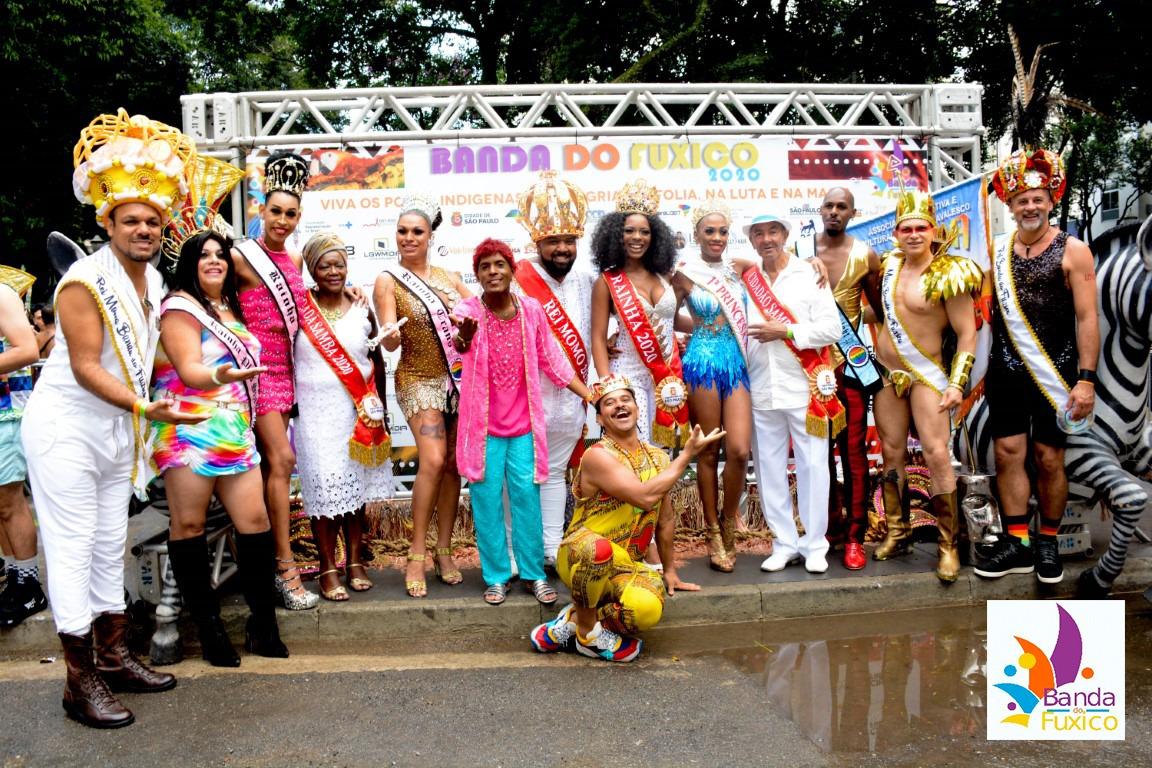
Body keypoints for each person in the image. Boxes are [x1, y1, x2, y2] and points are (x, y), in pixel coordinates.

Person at [22, 110, 205, 728]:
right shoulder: (82, 282)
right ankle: (79, 683)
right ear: (107, 223)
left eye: (153, 221)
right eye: (131, 220)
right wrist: (140, 405)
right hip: (67, 430)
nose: (144, 228)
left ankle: (113, 654)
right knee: (72, 550)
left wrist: (201, 374)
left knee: (108, 545)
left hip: (113, 431)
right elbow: (83, 366)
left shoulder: (152, 281)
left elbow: (148, 353)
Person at [154, 228, 291, 666]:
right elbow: (191, 370)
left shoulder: (228, 307)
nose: (214, 261)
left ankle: (262, 624)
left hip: (233, 428)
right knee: (190, 526)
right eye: (203, 255)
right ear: (189, 264)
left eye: (221, 255)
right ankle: (211, 631)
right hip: (190, 428)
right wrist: (221, 378)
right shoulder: (179, 308)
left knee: (253, 522)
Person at [530, 374, 721, 662]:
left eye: (625, 399)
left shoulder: (658, 458)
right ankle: (589, 636)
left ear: (636, 407)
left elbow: (665, 519)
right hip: (580, 555)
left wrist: (669, 570)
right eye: (609, 403)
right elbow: (644, 497)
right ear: (601, 420)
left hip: (624, 566)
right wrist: (686, 457)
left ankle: (576, 621)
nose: (619, 406)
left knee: (647, 609)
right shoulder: (597, 456)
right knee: (600, 551)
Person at [976, 148, 1098, 587]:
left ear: (1051, 201)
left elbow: (1088, 319)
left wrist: (1086, 381)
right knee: (1008, 453)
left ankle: (1047, 541)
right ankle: (1018, 544)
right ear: (1009, 206)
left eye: (1038, 199)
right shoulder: (996, 252)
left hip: (1058, 376)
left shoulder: (1075, 251)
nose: (1030, 206)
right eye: (1022, 200)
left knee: (1049, 458)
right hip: (1006, 373)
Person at [453, 238, 594, 605]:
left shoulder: (531, 309)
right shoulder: (468, 309)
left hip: (524, 426)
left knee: (526, 497)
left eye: (500, 264)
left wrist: (588, 393)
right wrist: (464, 339)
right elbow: (459, 344)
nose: (493, 271)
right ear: (478, 275)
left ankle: (532, 574)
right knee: (485, 500)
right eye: (485, 266)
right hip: (482, 428)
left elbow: (552, 359)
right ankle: (497, 575)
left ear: (512, 270)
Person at [871, 190, 981, 583]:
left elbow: (967, 333)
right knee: (891, 452)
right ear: (896, 233)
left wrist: (957, 383)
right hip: (886, 373)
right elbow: (877, 313)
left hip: (927, 375)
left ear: (934, 231)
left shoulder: (950, 273)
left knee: (936, 454)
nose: (914, 234)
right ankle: (898, 532)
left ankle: (949, 545)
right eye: (906, 228)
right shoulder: (888, 267)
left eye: (921, 227)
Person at [230, 151, 320, 610]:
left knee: (269, 468)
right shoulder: (240, 257)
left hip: (288, 371)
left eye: (290, 214)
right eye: (275, 211)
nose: (282, 220)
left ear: (298, 216)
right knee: (282, 460)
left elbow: (302, 312)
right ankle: (284, 566)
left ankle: (260, 562)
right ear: (260, 212)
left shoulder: (295, 260)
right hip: (256, 372)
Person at [373, 193, 470, 598]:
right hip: (416, 377)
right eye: (402, 231)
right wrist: (391, 334)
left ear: (431, 236)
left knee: (452, 465)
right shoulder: (387, 280)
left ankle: (444, 550)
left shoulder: (451, 278)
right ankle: (415, 553)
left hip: (457, 380)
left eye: (417, 231)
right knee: (431, 458)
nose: (408, 238)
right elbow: (390, 342)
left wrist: (464, 321)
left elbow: (471, 330)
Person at [741, 213, 843, 575]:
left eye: (772, 231)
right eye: (758, 233)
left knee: (814, 466)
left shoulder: (808, 273)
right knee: (768, 469)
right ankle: (783, 543)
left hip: (804, 388)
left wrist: (785, 331)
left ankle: (815, 545)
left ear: (785, 235)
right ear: (751, 240)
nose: (766, 239)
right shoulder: (745, 279)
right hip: (761, 387)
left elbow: (831, 328)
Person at [294, 233, 393, 601]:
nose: (333, 272)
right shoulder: (299, 309)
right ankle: (327, 567)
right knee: (324, 490)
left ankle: (354, 562)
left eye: (339, 264)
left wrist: (378, 407)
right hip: (315, 414)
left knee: (355, 490)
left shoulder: (361, 306)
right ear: (312, 269)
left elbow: (376, 359)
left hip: (357, 410)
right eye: (324, 265)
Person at [512, 171, 596, 566]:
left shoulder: (585, 279)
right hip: (528, 400)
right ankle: (515, 553)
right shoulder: (516, 280)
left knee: (556, 473)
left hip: (570, 403)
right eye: (553, 242)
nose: (562, 248)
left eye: (568, 241)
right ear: (537, 242)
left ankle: (549, 550)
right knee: (521, 478)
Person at [802, 187, 884, 571]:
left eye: (842, 207)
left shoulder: (866, 256)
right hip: (806, 370)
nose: (834, 211)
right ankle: (824, 529)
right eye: (828, 205)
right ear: (820, 209)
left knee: (852, 456)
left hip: (848, 371)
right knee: (815, 456)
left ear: (853, 212)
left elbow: (878, 311)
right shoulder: (800, 252)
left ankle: (854, 536)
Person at [671, 202, 753, 572]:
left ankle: (728, 520)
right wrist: (699, 330)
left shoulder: (741, 270)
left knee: (738, 450)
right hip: (702, 362)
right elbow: (667, 316)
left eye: (722, 231)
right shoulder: (684, 274)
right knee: (708, 449)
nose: (717, 238)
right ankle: (711, 531)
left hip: (736, 362)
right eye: (709, 231)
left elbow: (783, 271)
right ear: (696, 235)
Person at [590, 179, 690, 451]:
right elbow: (598, 337)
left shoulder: (666, 275)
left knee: (662, 448)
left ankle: (660, 495)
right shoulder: (607, 282)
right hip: (627, 372)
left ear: (654, 236)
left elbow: (672, 321)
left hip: (666, 373)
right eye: (629, 231)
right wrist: (607, 384)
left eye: (644, 232)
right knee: (636, 445)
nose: (637, 238)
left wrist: (710, 330)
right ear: (616, 235)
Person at [0, 265, 44, 628]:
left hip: (7, 415)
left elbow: (27, 348)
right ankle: (15, 579)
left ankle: (29, 585)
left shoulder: (1, 294)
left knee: (10, 501)